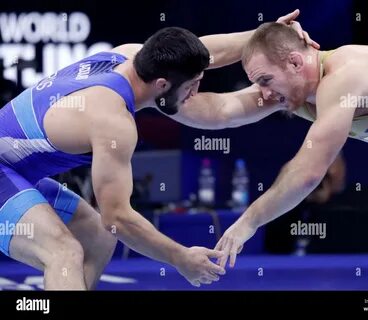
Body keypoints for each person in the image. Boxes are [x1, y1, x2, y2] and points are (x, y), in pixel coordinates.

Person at [0, 10, 315, 289]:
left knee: (96, 234)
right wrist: (181, 258)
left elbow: (203, 52)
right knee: (63, 252)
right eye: (192, 86)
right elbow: (119, 219)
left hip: (14, 170)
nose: (195, 93)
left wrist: (265, 35)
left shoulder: (126, 57)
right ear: (163, 85)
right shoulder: (112, 121)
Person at [214, 22, 368, 290]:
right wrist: (158, 87)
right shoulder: (294, 93)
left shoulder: (344, 76)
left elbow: (308, 173)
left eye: (265, 80)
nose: (264, 93)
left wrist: (249, 221)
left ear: (294, 62)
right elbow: (217, 110)